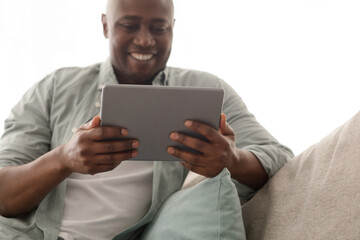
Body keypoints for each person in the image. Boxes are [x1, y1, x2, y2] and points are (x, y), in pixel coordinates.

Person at [0, 0, 294, 239]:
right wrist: (63, 159)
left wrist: (232, 158)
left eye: (159, 28)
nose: (144, 40)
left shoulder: (206, 90)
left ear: (173, 28)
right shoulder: (55, 88)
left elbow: (279, 158)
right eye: (129, 26)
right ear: (105, 25)